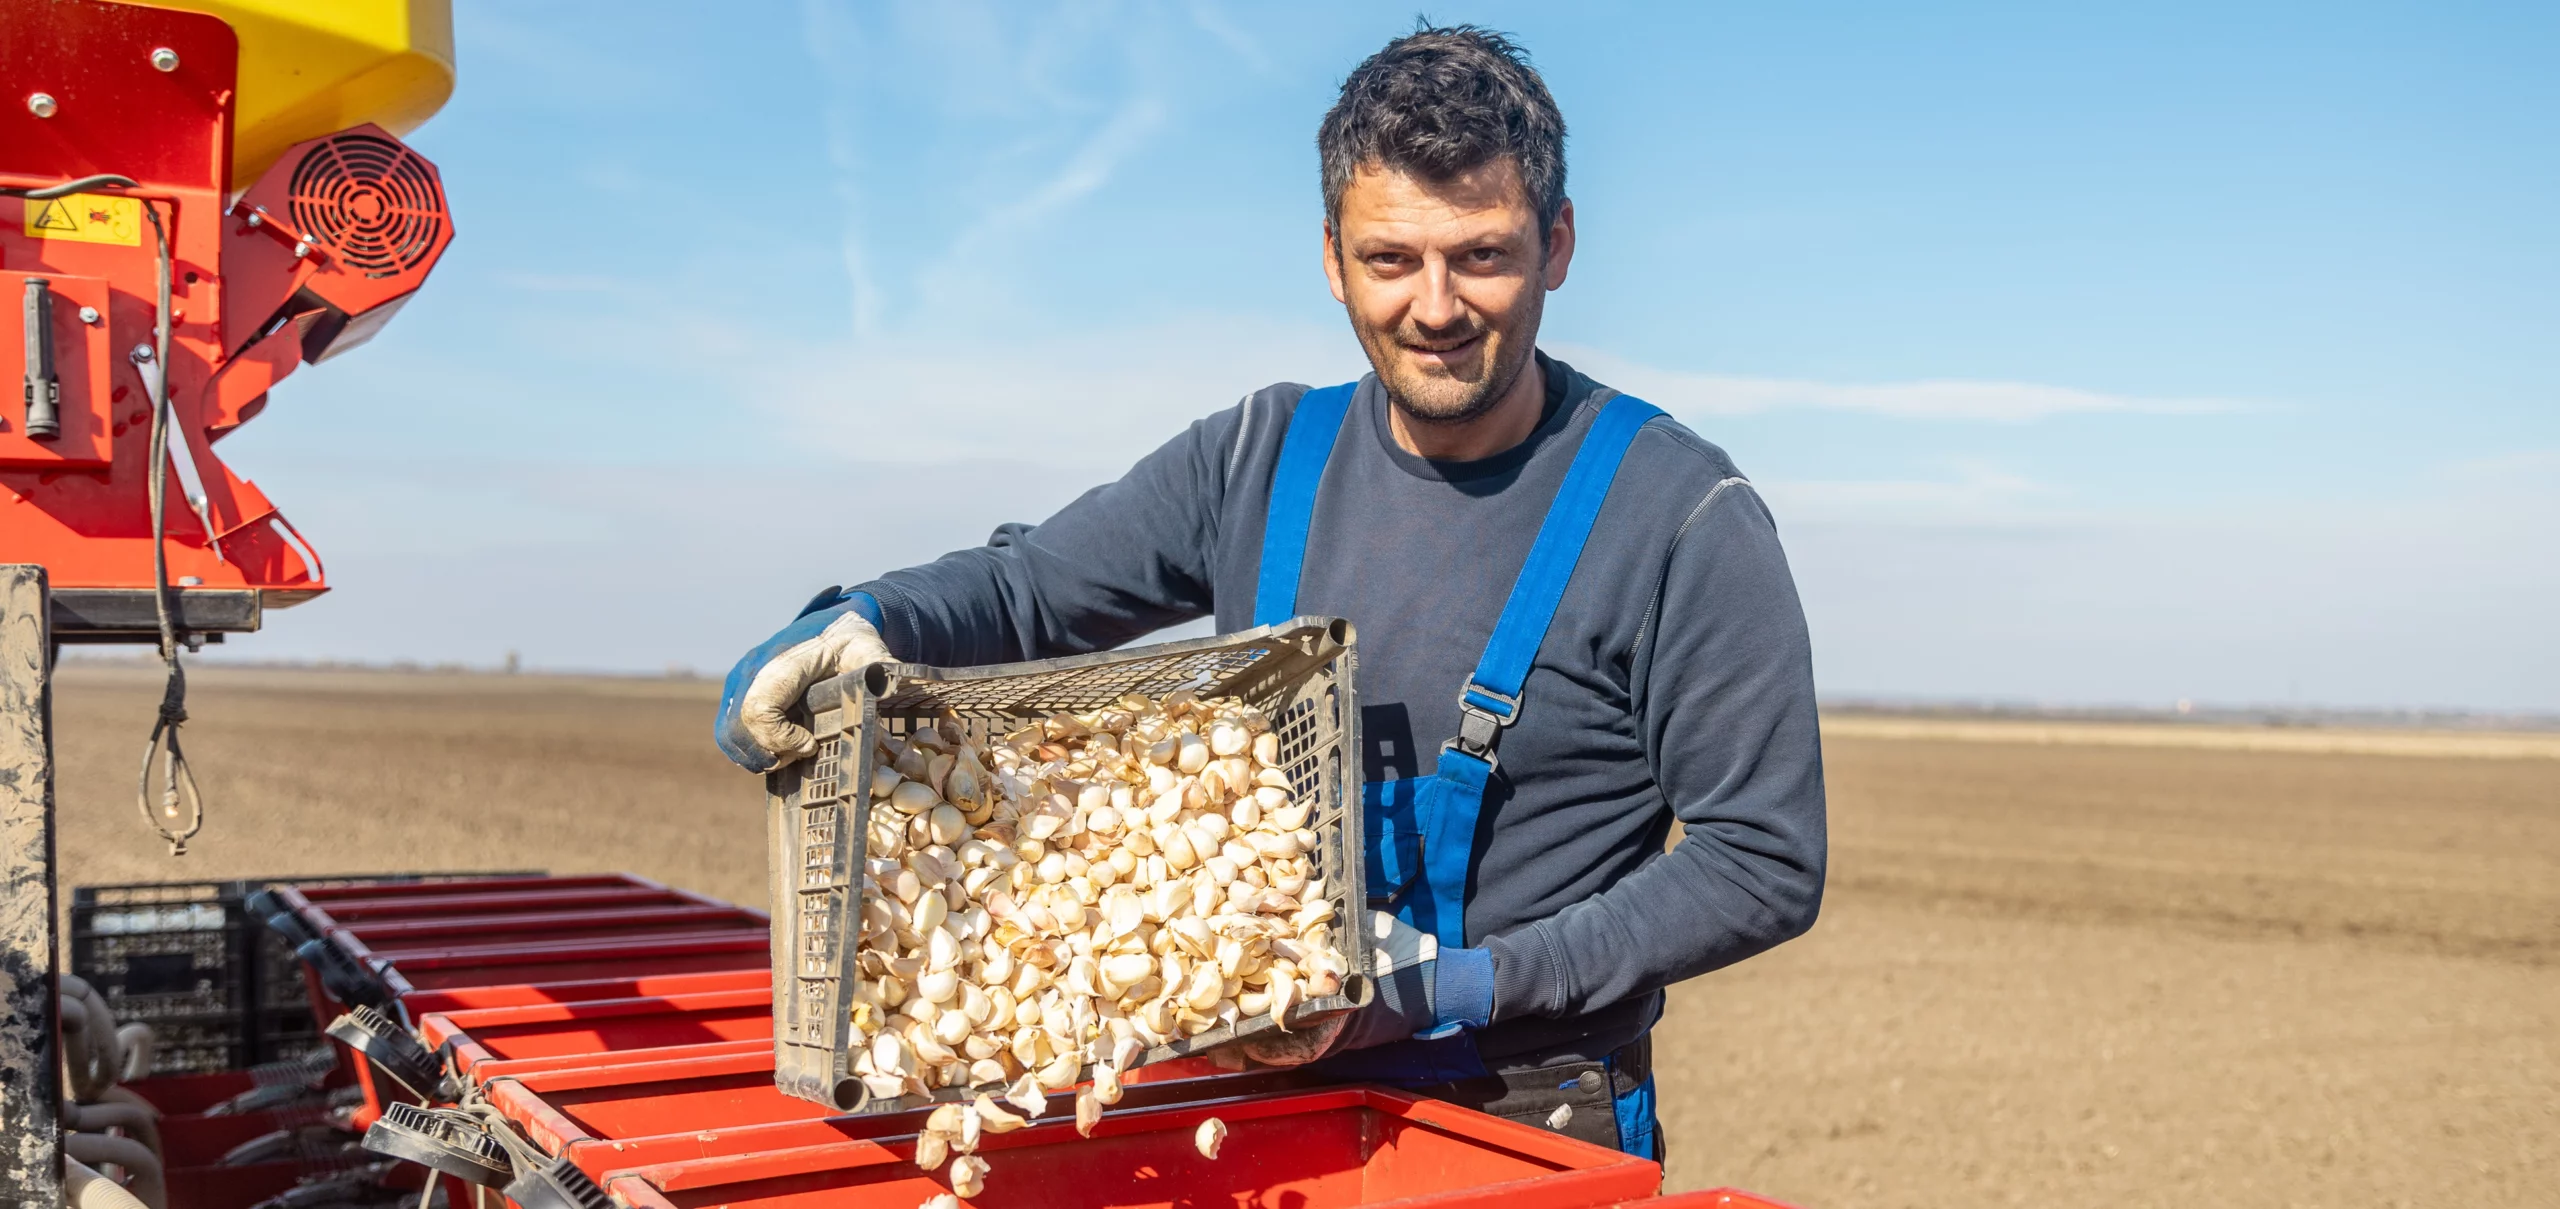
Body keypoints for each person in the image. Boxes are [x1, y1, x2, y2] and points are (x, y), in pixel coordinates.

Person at [714, 24, 1826, 1159]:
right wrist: (864, 619)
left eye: (1480, 254)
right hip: (1255, 1115)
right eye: (1390, 259)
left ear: (1557, 244)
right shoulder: (1260, 457)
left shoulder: (1677, 514)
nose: (1434, 305)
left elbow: (1762, 859)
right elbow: (1032, 589)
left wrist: (1459, 980)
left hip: (1524, 1111)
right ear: (1333, 257)